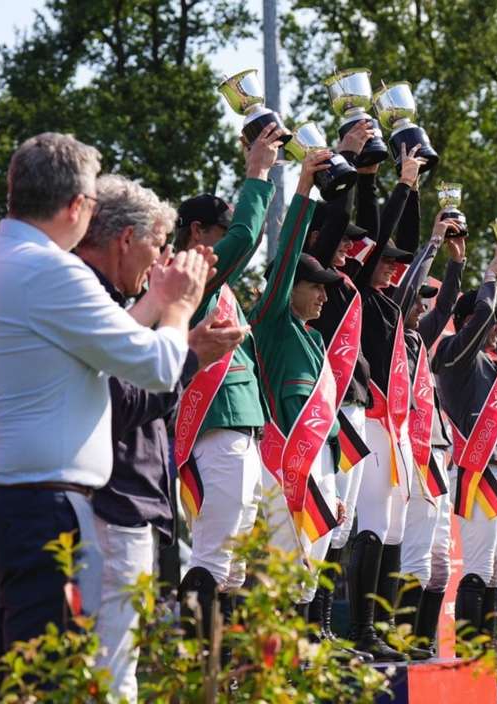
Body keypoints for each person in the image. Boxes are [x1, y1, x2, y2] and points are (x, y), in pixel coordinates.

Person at [0, 132, 218, 702]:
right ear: (76, 206)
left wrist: (155, 302)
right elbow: (159, 366)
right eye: (91, 201)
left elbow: (106, 343)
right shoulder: (52, 273)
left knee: (16, 686)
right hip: (44, 512)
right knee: (55, 685)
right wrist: (181, 304)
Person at [75, 174, 244, 701]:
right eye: (158, 244)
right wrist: (187, 355)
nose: (162, 259)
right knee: (112, 676)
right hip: (113, 504)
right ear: (126, 238)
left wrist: (184, 345)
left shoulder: (110, 303)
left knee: (111, 670)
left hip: (122, 506)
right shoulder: (95, 301)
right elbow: (119, 403)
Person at [173, 126, 284, 641]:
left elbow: (244, 240)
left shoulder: (209, 283)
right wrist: (258, 174)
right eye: (221, 230)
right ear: (198, 233)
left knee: (235, 566)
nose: (231, 236)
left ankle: (228, 676)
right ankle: (202, 676)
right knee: (216, 556)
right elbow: (246, 239)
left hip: (240, 430)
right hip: (216, 429)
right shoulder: (185, 273)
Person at [249, 152, 342, 611]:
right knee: (282, 580)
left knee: (307, 585)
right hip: (281, 465)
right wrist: (303, 187)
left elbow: (327, 429)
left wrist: (335, 489)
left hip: (318, 470)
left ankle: (299, 674)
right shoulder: (272, 322)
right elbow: (286, 254)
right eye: (316, 285)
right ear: (289, 290)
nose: (324, 294)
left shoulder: (313, 340)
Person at [346, 145, 426, 662]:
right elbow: (376, 245)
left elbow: (411, 247)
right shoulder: (352, 288)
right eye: (385, 262)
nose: (394, 269)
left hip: (392, 422)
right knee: (372, 522)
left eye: (397, 266)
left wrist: (414, 191)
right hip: (369, 416)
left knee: (394, 527)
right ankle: (359, 630)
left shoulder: (389, 301)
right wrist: (397, 182)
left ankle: (386, 631)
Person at [302, 122, 378, 651]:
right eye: (342, 244)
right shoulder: (307, 273)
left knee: (342, 527)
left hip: (351, 409)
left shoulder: (347, 284)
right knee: (323, 523)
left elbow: (371, 231)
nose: (350, 249)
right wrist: (346, 159)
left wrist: (371, 175)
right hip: (322, 414)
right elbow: (337, 223)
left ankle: (325, 625)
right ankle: (308, 628)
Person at [433, 242, 497, 655]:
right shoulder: (455, 354)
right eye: (492, 322)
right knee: (477, 568)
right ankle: (472, 659)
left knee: (493, 573)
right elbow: (487, 315)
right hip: (478, 469)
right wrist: (488, 276)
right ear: (470, 322)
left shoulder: (491, 357)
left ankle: (484, 659)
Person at [395, 216, 467, 657]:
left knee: (440, 563)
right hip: (413, 452)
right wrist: (434, 239)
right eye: (415, 300)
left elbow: (443, 309)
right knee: (417, 556)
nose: (422, 306)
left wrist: (456, 262)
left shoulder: (419, 340)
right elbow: (407, 296)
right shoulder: (386, 335)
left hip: (438, 452)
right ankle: (403, 642)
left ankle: (422, 645)